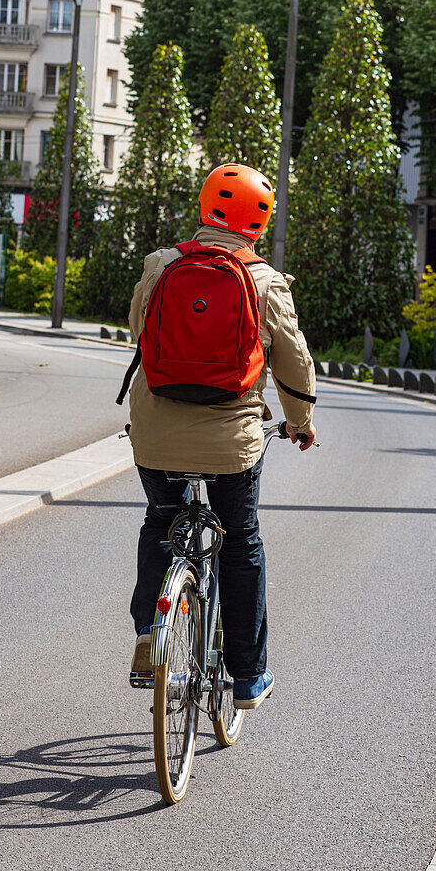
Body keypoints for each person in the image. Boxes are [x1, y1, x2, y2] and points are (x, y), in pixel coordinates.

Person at [126, 163, 317, 709]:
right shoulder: (263, 281)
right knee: (241, 541)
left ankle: (148, 631)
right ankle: (249, 676)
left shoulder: (163, 265)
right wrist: (300, 424)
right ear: (258, 223)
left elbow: (139, 331)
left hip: (156, 435)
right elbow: (293, 363)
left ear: (206, 206)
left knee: (161, 521)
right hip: (233, 443)